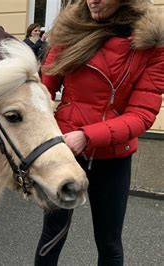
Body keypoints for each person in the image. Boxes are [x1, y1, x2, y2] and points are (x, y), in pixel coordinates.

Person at [34, 0, 163, 265]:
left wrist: (86, 135)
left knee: (109, 243)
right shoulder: (70, 31)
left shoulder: (150, 45)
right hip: (66, 155)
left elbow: (141, 114)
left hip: (113, 159)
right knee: (52, 236)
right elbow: (42, 92)